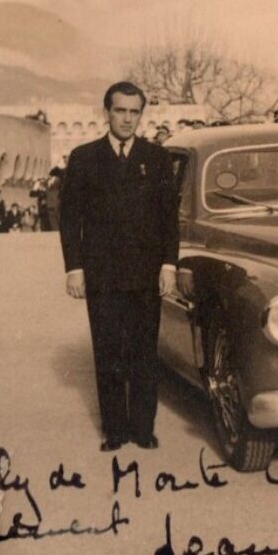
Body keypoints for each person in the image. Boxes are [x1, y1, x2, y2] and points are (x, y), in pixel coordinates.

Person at [59, 82, 179, 452]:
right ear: (106, 112)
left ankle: (143, 427)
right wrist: (74, 267)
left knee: (144, 351)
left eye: (134, 112)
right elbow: (69, 217)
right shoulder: (83, 158)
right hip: (103, 273)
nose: (127, 119)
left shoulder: (157, 159)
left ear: (141, 115)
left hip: (145, 273)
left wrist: (169, 265)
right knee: (108, 350)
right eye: (120, 111)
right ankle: (115, 429)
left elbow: (168, 219)